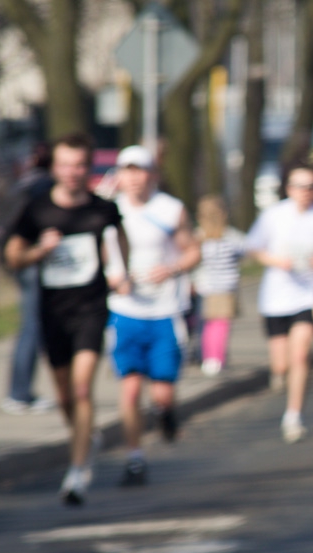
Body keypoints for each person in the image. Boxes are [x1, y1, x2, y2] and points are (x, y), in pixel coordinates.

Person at [4, 133, 130, 505]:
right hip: (53, 311)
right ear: (55, 168)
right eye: (65, 165)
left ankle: (77, 473)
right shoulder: (37, 209)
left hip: (91, 307)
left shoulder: (103, 209)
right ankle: (85, 435)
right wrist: (40, 251)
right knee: (64, 396)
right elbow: (13, 257)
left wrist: (120, 271)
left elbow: (121, 240)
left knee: (81, 388)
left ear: (88, 167)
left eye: (79, 165)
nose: (72, 172)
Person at [105, 145, 201, 486]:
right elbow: (98, 256)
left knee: (162, 392)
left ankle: (166, 413)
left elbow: (193, 251)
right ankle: (135, 458)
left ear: (152, 175)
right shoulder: (109, 210)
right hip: (125, 311)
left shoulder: (170, 209)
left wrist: (171, 268)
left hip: (165, 311)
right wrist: (112, 278)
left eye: (140, 171)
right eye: (127, 171)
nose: (133, 179)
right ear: (119, 175)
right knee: (130, 388)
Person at [247, 164, 313, 443]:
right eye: (301, 186)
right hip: (276, 298)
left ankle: (293, 415)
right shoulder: (273, 215)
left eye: (312, 186)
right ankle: (281, 378)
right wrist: (276, 261)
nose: (306, 192)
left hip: (309, 295)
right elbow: (253, 247)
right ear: (289, 189)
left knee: (300, 354)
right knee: (281, 365)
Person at [0, 142, 57, 415]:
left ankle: (21, 391)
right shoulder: (44, 187)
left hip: (20, 262)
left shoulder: (22, 184)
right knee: (33, 326)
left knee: (31, 325)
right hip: (32, 260)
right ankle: (19, 393)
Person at [193, 194, 246, 376]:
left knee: (207, 325)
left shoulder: (198, 237)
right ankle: (217, 358)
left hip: (205, 287)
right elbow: (246, 248)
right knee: (221, 325)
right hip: (225, 288)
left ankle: (207, 357)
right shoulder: (231, 236)